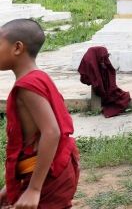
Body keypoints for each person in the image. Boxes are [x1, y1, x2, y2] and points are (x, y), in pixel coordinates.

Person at [0, 19, 79, 209]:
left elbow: (51, 132)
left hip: (45, 177)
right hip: (49, 168)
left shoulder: (27, 86)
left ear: (17, 48)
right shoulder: (39, 77)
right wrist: (10, 185)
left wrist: (34, 189)